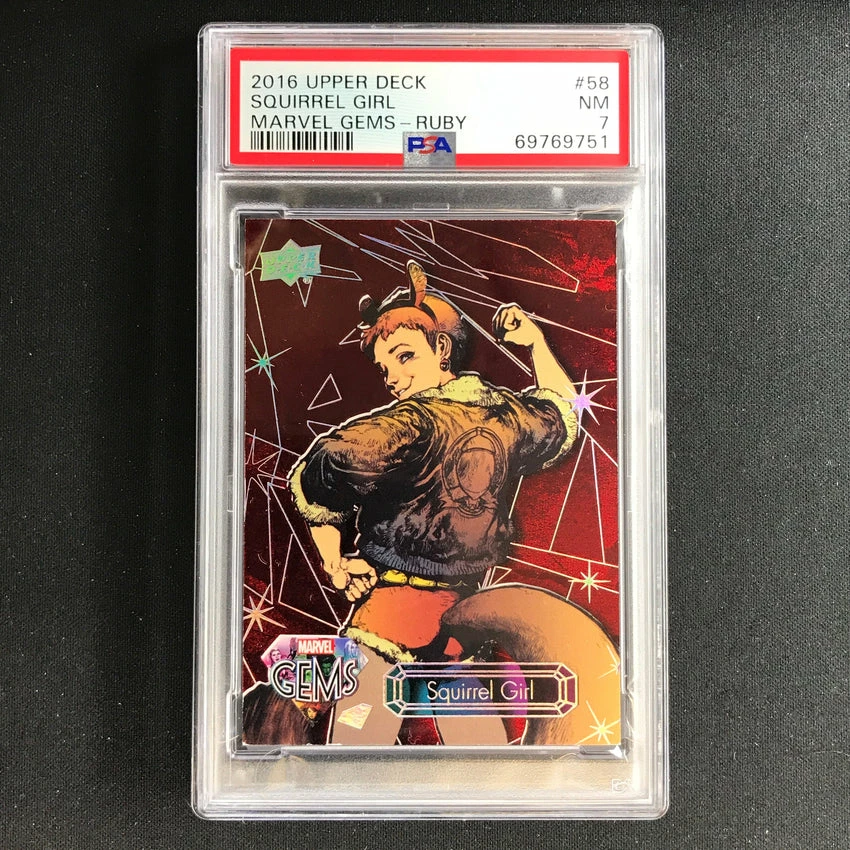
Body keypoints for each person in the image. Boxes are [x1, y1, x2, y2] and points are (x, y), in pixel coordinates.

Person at [287, 260, 579, 744]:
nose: (392, 378)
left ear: (442, 349)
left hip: (399, 618)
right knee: (480, 758)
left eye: (404, 356)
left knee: (357, 749)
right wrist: (535, 344)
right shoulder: (508, 418)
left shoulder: (406, 425)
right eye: (384, 367)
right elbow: (561, 410)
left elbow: (320, 472)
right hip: (457, 620)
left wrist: (335, 561)